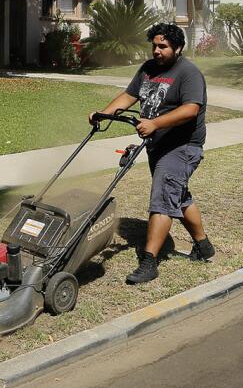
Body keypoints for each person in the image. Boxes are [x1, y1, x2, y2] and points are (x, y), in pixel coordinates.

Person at [90, 22, 213, 285]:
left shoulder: (188, 73)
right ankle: (203, 247)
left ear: (178, 48)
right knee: (176, 196)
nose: (157, 51)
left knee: (161, 198)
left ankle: (149, 261)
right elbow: (129, 95)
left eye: (163, 46)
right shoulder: (147, 69)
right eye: (154, 45)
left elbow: (191, 109)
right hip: (158, 145)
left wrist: (155, 123)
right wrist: (104, 113)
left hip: (182, 147)